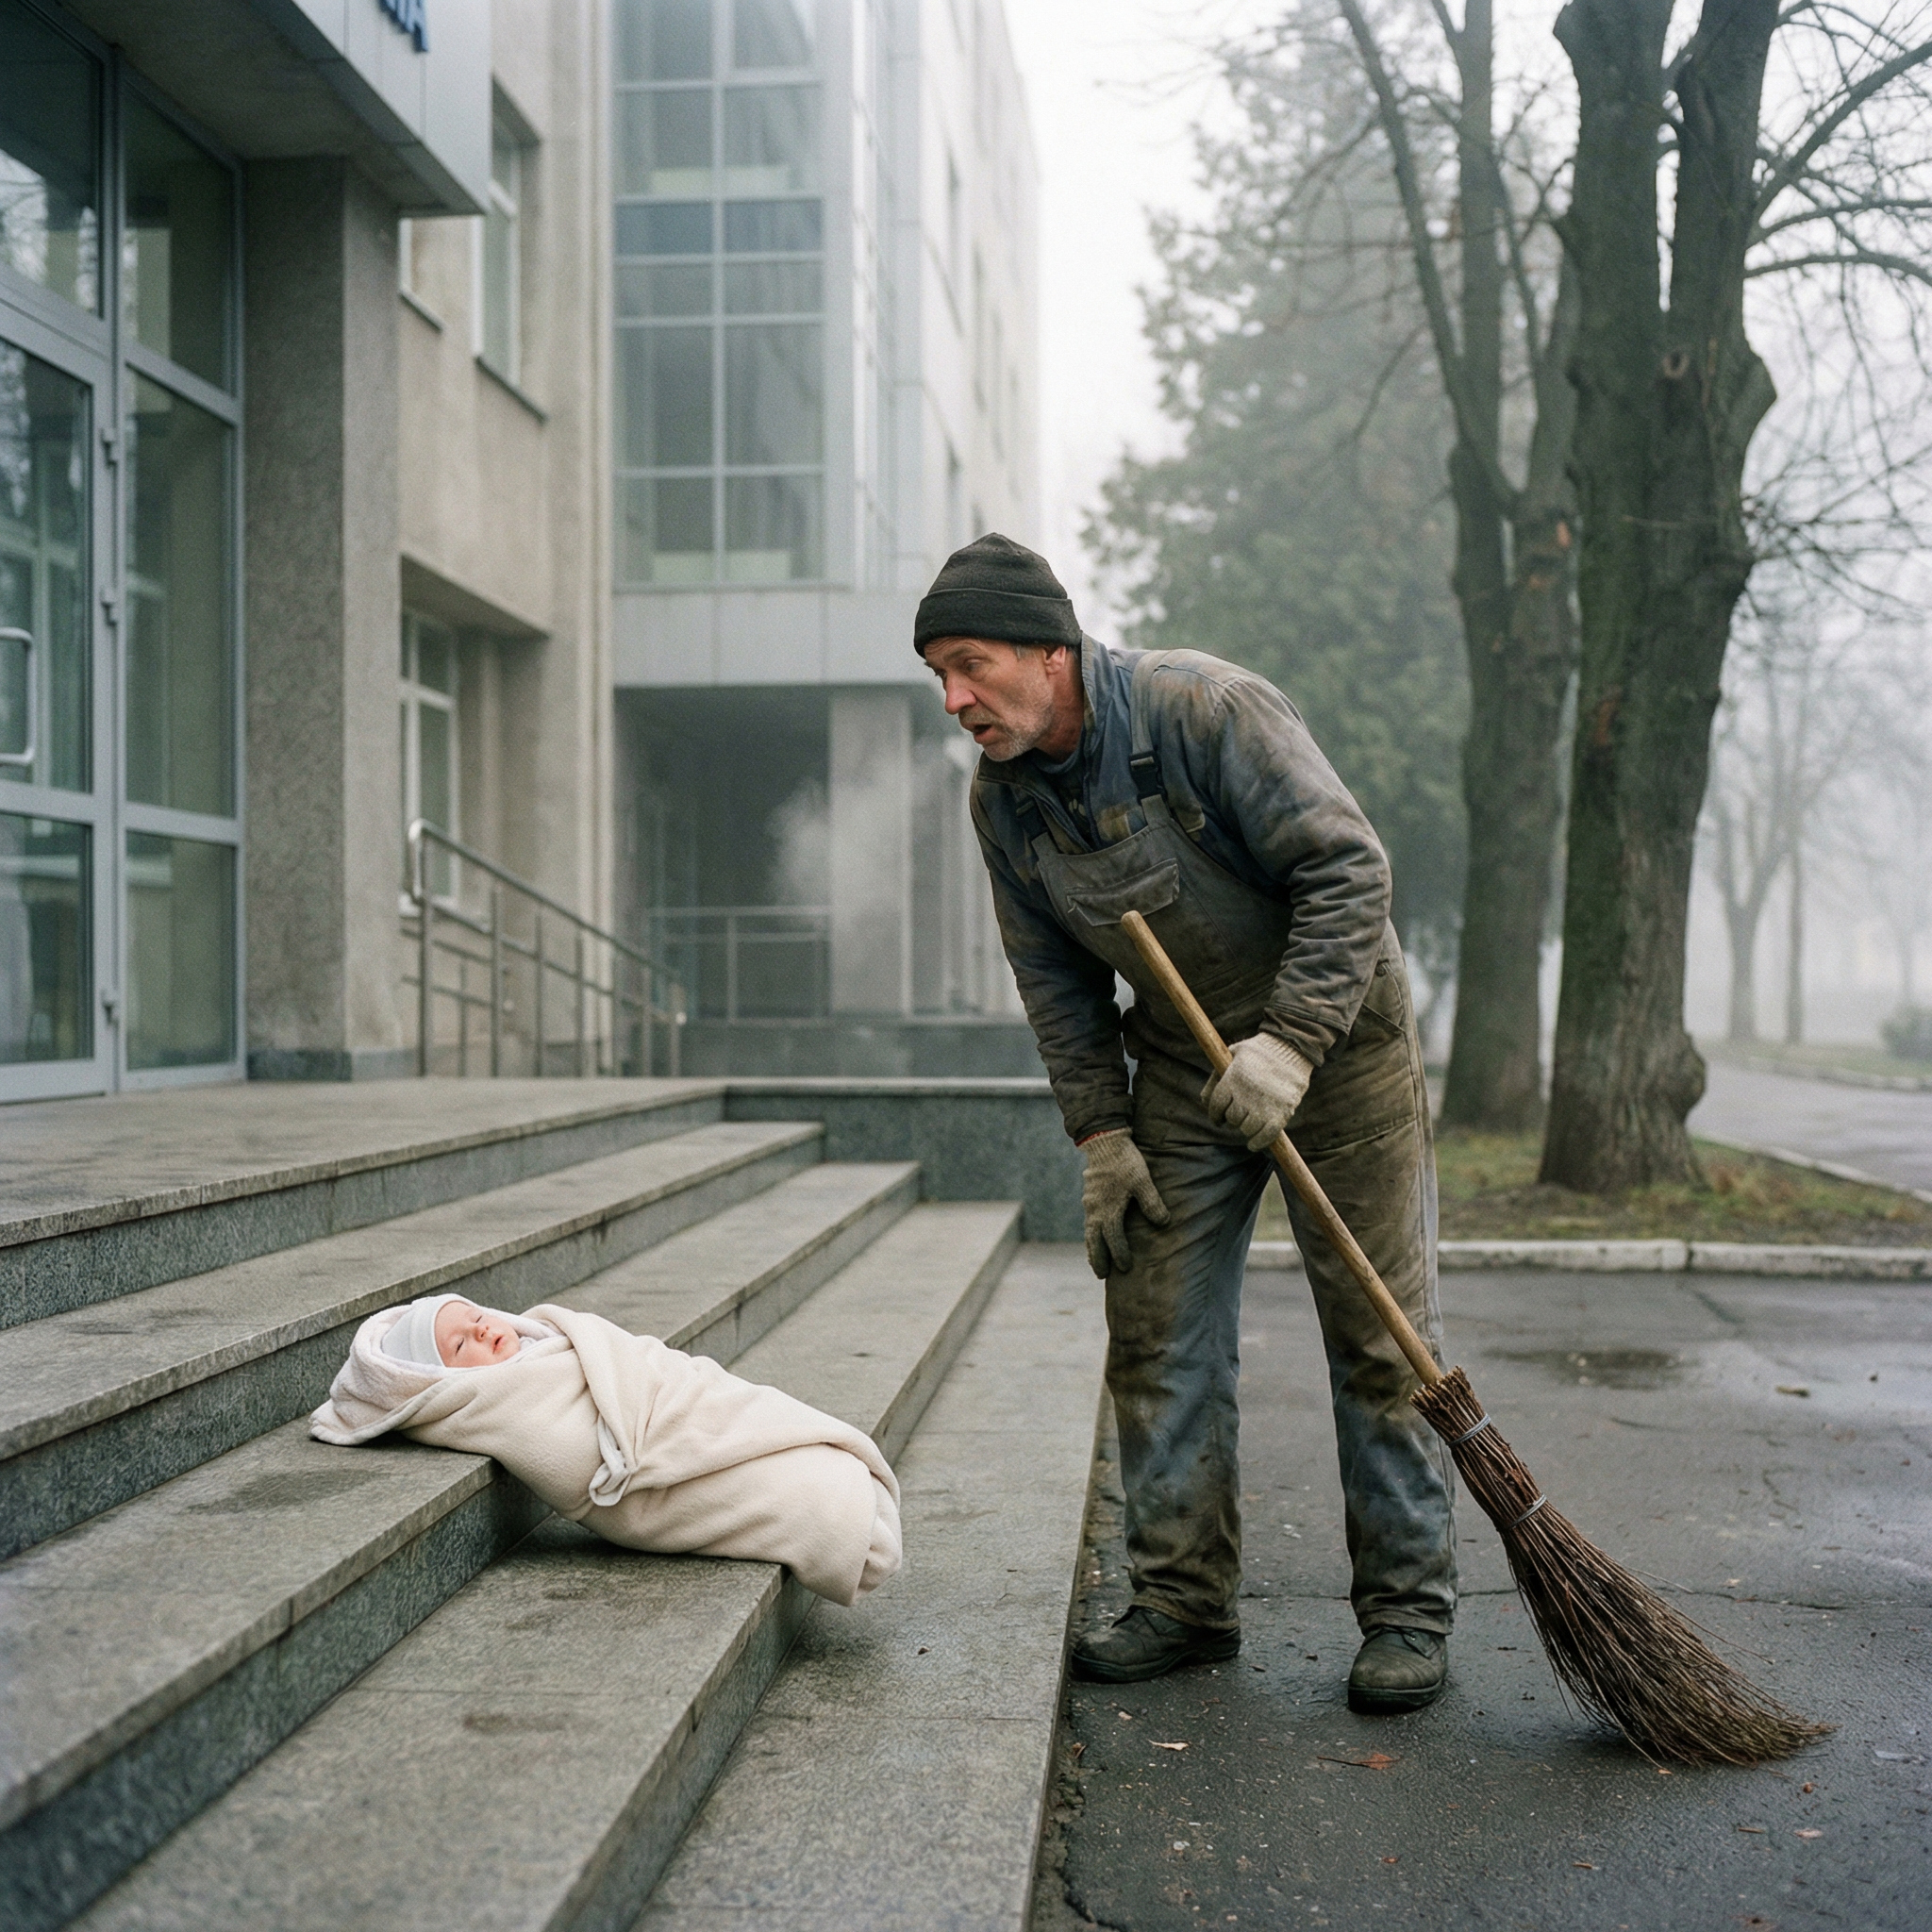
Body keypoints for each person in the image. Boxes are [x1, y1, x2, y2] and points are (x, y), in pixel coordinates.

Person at [917, 532, 1455, 1709]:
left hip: (1337, 1048)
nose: (954, 699)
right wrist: (1100, 1136)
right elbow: (1054, 983)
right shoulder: (1003, 802)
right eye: (937, 677)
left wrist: (1292, 1042)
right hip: (1177, 1064)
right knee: (1156, 1327)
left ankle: (1406, 1609)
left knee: (1379, 1335)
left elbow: (1350, 871)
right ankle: (1181, 1598)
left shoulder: (1203, 710)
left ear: (1048, 650)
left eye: (968, 665)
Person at [311, 1292, 901, 1607]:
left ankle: (833, 1485)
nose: (485, 1331)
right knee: (795, 1492)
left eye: (477, 1317)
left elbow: (648, 1367)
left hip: (669, 1403)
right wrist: (628, 1439)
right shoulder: (495, 1402)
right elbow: (567, 1451)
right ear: (444, 1381)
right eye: (462, 1344)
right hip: (644, 1463)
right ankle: (834, 1511)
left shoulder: (551, 1339)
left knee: (749, 1417)